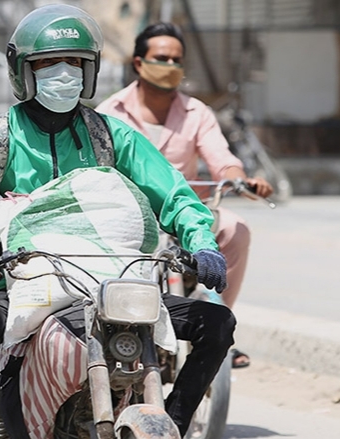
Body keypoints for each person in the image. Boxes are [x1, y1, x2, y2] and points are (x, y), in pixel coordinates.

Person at [0, 5, 234, 439]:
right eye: (49, 63)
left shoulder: (112, 135)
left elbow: (175, 195)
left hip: (113, 278)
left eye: (75, 63)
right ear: (22, 71)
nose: (64, 73)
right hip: (24, 282)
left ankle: (173, 425)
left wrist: (202, 242)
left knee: (217, 323)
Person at [95, 22, 273, 369]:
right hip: (128, 216)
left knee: (236, 229)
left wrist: (240, 180)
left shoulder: (197, 112)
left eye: (177, 60)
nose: (171, 67)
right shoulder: (109, 113)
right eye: (162, 58)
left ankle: (220, 326)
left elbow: (222, 160)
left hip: (184, 213)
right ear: (138, 63)